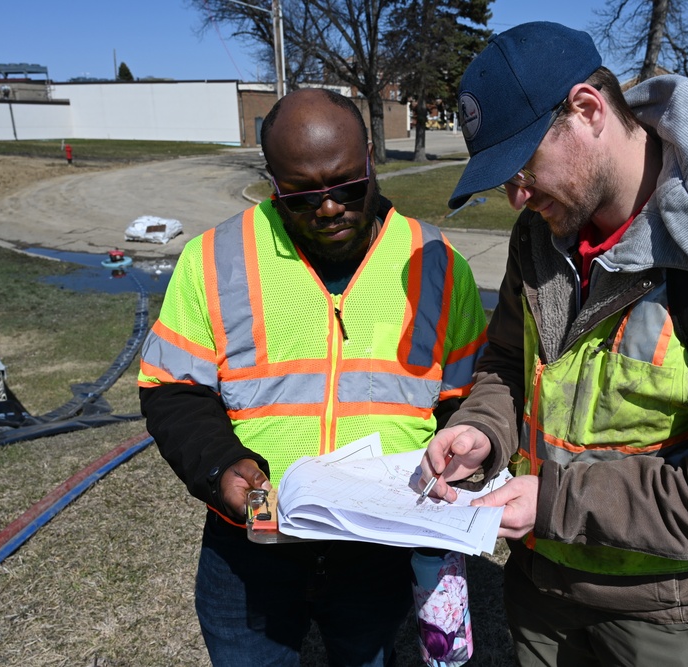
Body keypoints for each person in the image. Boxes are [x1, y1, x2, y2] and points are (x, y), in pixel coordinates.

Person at [419, 21, 688, 667]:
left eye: (523, 167)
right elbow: (510, 360)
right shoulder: (542, 235)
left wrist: (555, 500)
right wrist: (482, 428)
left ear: (587, 110)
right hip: (541, 585)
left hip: (670, 610)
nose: (516, 198)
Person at [138, 88, 487, 667]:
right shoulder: (215, 258)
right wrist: (222, 469)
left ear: (371, 157)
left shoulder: (438, 263)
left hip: (380, 548)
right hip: (249, 547)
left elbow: (465, 397)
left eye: (347, 185)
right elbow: (173, 388)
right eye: (301, 195)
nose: (328, 209)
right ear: (271, 180)